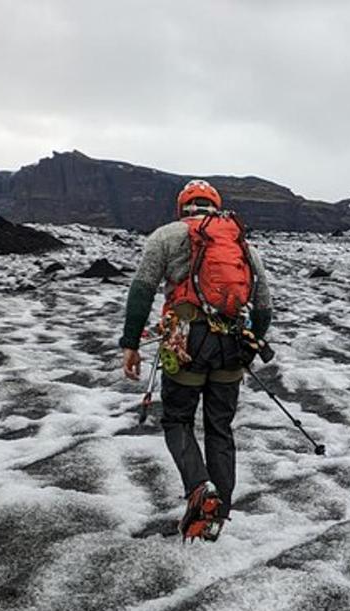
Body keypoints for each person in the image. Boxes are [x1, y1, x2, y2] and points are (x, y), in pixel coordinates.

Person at [120, 179, 273, 540]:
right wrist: (251, 345)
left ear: (182, 206)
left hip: (186, 341)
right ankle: (216, 517)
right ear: (214, 206)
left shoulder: (166, 236)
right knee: (220, 428)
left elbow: (141, 290)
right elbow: (263, 306)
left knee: (177, 420)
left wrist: (131, 343)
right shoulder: (241, 245)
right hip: (232, 346)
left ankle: (200, 489)